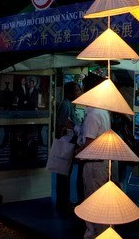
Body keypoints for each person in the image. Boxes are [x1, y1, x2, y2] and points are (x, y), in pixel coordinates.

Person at [76, 78, 111, 239]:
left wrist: (78, 152)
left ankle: (95, 234)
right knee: (101, 202)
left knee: (92, 201)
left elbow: (89, 142)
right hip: (102, 164)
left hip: (93, 165)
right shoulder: (103, 112)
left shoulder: (93, 114)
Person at [55, 81, 82, 214]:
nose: (79, 93)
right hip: (66, 144)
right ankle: (62, 203)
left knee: (65, 174)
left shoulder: (69, 105)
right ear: (70, 92)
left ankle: (64, 201)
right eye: (77, 90)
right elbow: (62, 126)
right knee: (63, 174)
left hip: (68, 143)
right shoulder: (66, 105)